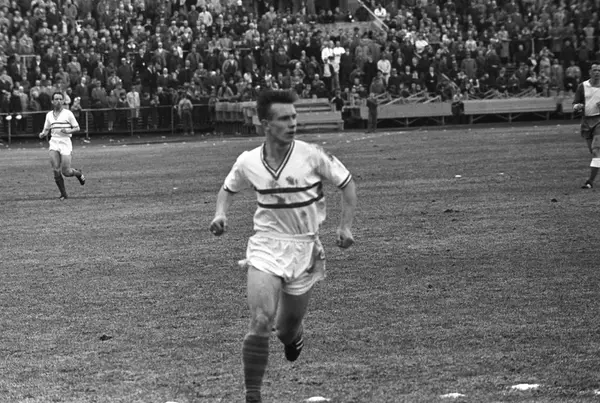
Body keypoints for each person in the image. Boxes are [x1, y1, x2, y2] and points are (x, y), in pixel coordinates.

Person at [209, 90, 357, 403]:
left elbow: (347, 184)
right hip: (266, 245)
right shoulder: (249, 161)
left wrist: (345, 226)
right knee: (261, 319)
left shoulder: (312, 155)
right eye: (284, 118)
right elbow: (227, 189)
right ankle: (253, 395)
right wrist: (220, 214)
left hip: (305, 248)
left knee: (285, 329)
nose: (292, 124)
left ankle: (293, 337)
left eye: (294, 117)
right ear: (266, 124)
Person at [38, 92, 85, 200]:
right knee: (56, 169)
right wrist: (43, 134)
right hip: (54, 142)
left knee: (66, 172)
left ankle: (78, 173)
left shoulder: (68, 113)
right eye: (56, 99)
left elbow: (77, 127)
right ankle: (64, 194)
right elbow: (46, 129)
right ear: (52, 101)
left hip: (65, 142)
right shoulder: (49, 115)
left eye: (60, 99)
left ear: (63, 101)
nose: (58, 101)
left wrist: (68, 131)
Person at [573, 62, 600, 189]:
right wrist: (577, 106)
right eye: (595, 70)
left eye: (599, 70)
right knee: (594, 152)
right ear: (590, 72)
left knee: (596, 151)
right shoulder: (582, 86)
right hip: (586, 122)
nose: (597, 72)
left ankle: (590, 181)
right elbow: (575, 103)